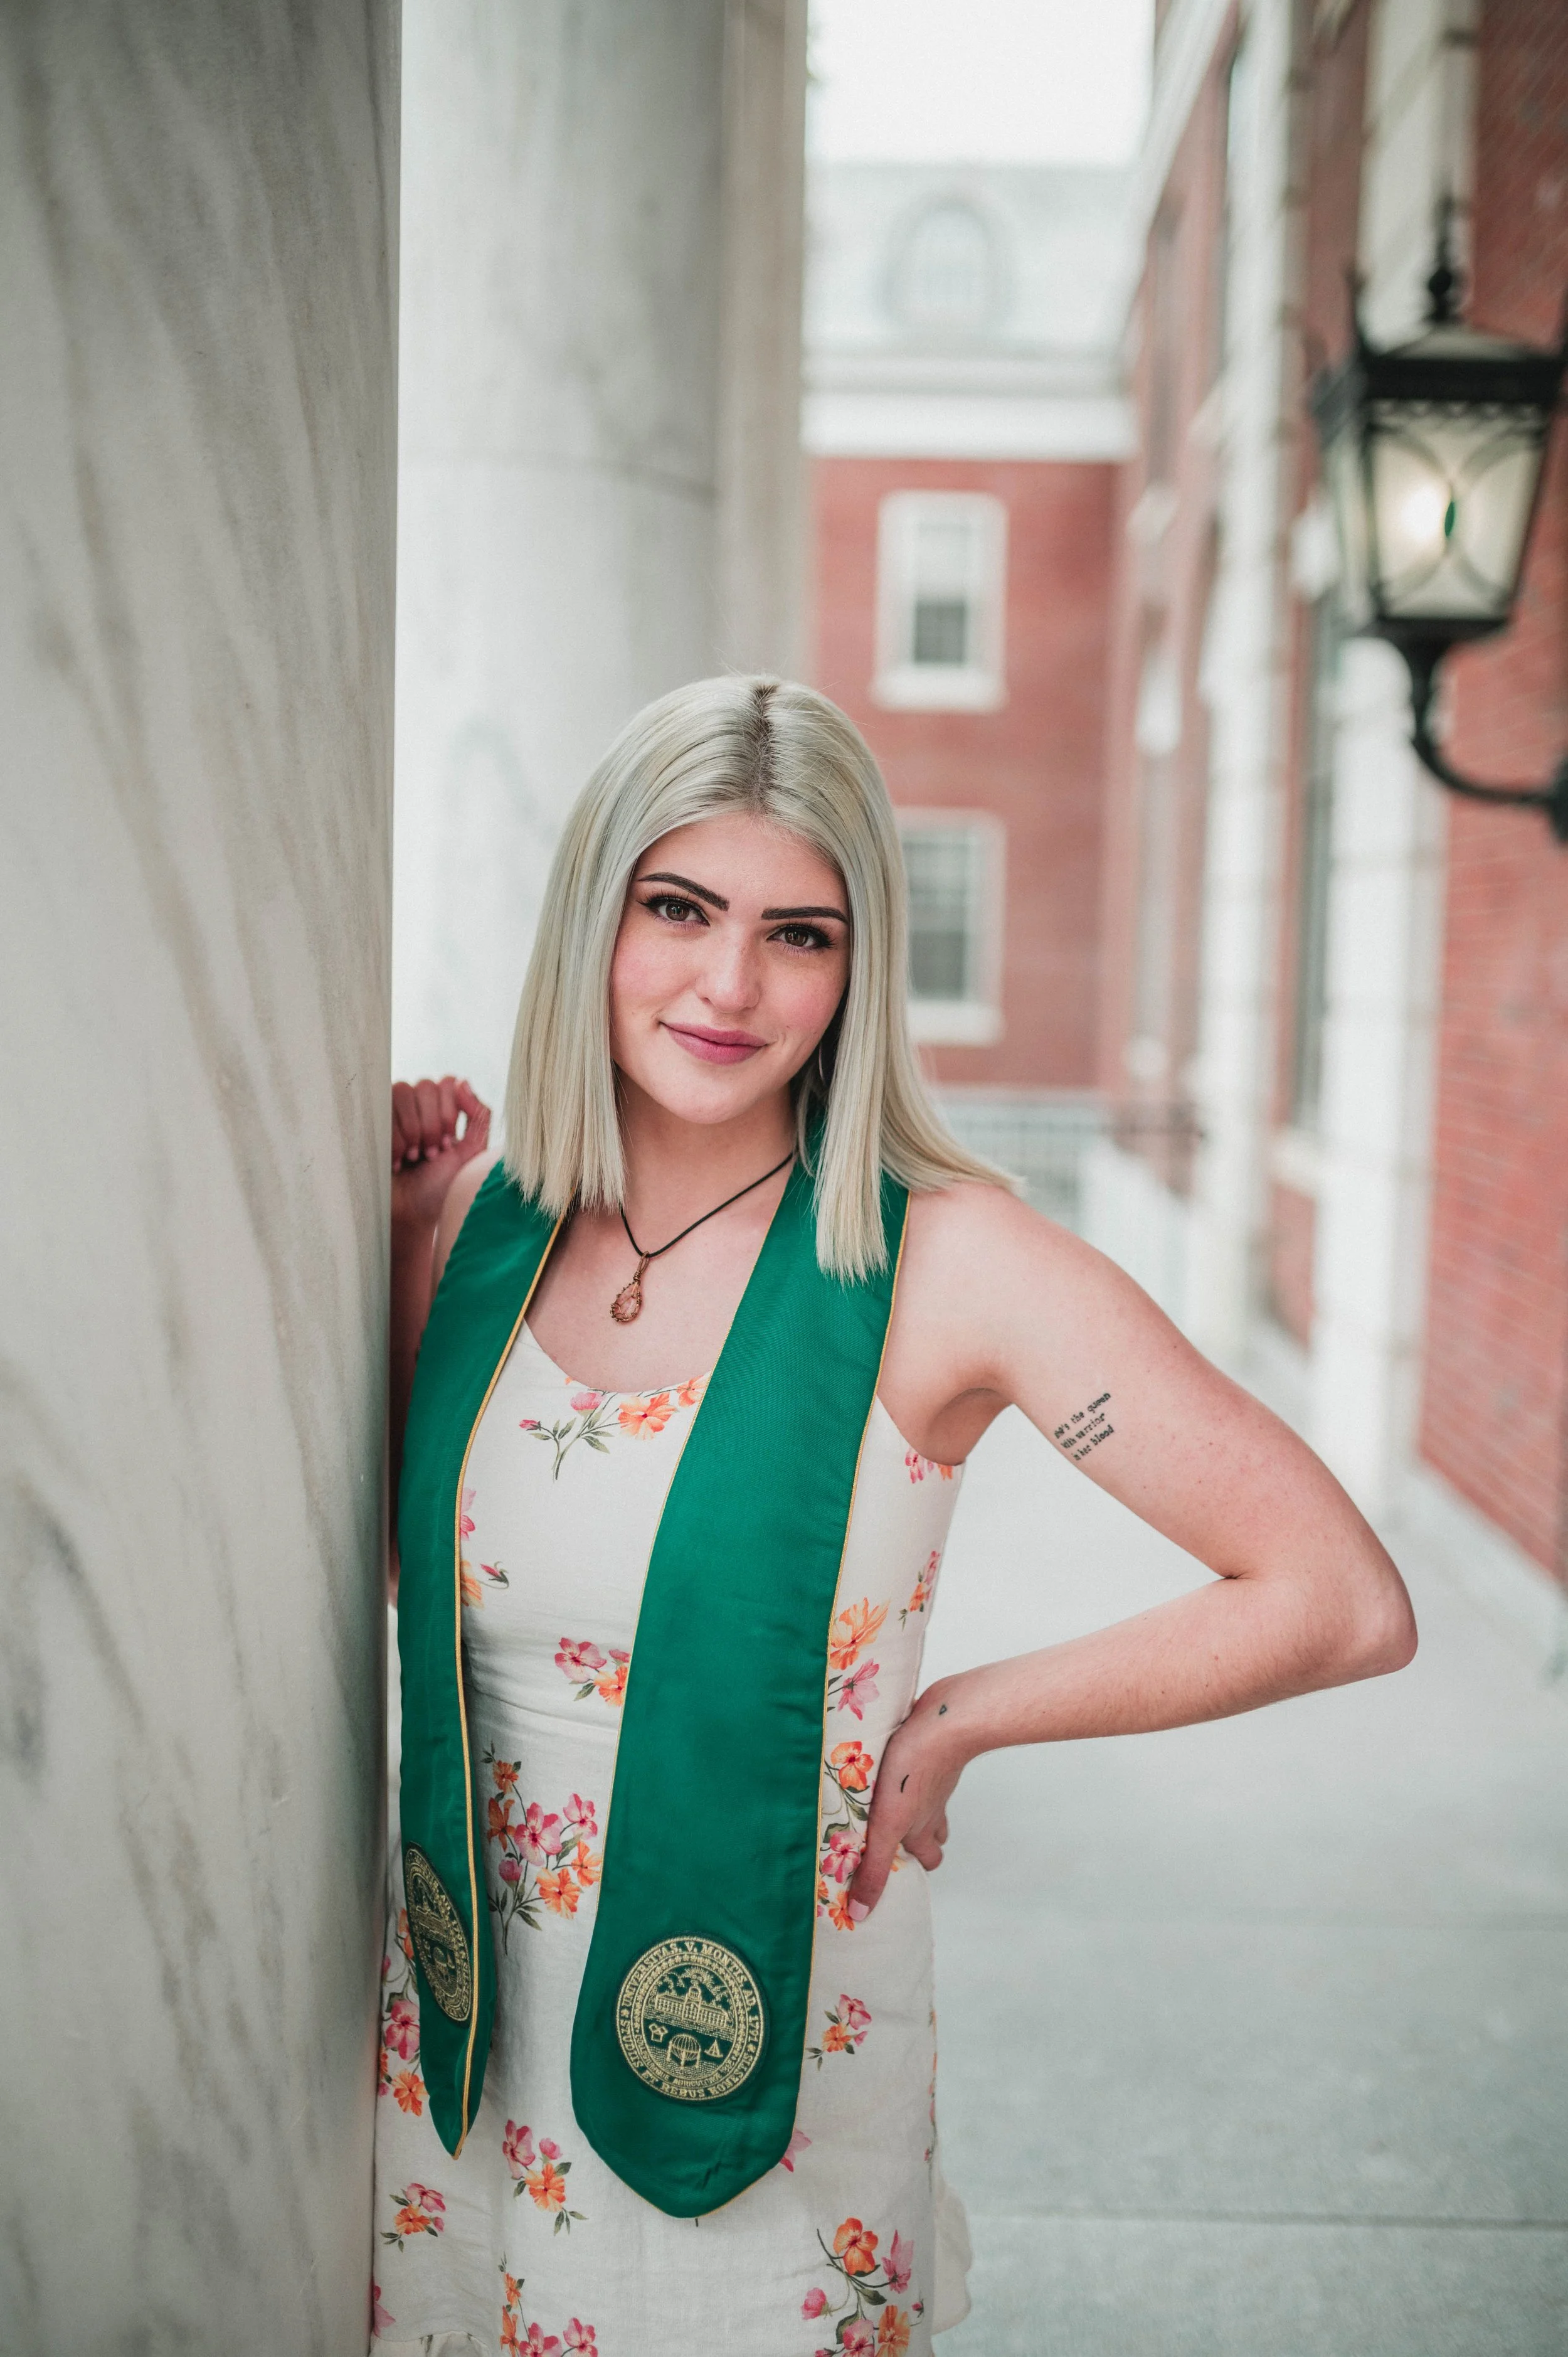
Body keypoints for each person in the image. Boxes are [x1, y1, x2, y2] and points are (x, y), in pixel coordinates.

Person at [372, 676, 1415, 2357]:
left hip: (768, 2051)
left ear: (859, 974)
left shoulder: (943, 1260)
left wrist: (968, 1712)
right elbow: (401, 1577)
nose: (731, 983)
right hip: (457, 2051)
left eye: (799, 932)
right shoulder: (485, 1227)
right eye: (679, 908)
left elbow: (1335, 1592)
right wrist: (418, 1222)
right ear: (593, 919)